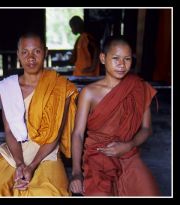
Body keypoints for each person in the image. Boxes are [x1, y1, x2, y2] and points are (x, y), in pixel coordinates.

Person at [0, 32, 78, 196]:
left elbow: (55, 136)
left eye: (37, 51)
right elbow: (9, 131)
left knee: (49, 193)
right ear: (18, 54)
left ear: (45, 52)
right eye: (25, 52)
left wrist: (32, 166)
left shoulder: (60, 87)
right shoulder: (9, 87)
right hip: (15, 152)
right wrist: (20, 164)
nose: (31, 58)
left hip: (47, 152)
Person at [69, 35, 160, 196]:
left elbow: (146, 129)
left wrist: (129, 145)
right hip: (98, 156)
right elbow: (77, 133)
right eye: (116, 58)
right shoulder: (89, 93)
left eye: (127, 59)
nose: (122, 65)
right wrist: (76, 172)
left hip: (128, 154)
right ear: (103, 58)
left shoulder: (138, 87)